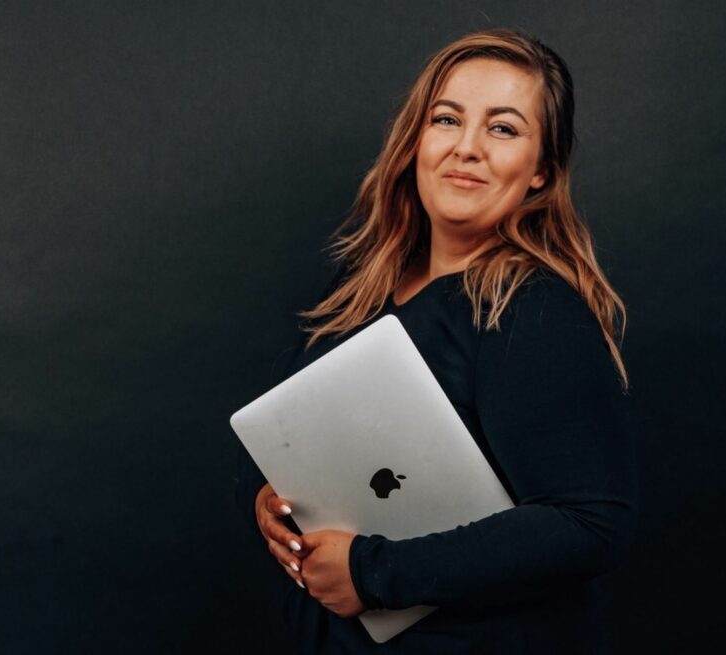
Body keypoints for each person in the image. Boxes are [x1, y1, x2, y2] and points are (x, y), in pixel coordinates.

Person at [233, 28, 639, 654]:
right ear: (416, 141)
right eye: (447, 119)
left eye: (503, 128)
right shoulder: (362, 287)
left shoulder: (531, 309)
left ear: (541, 171)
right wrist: (271, 504)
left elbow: (591, 524)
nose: (467, 148)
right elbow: (282, 432)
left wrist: (372, 573)